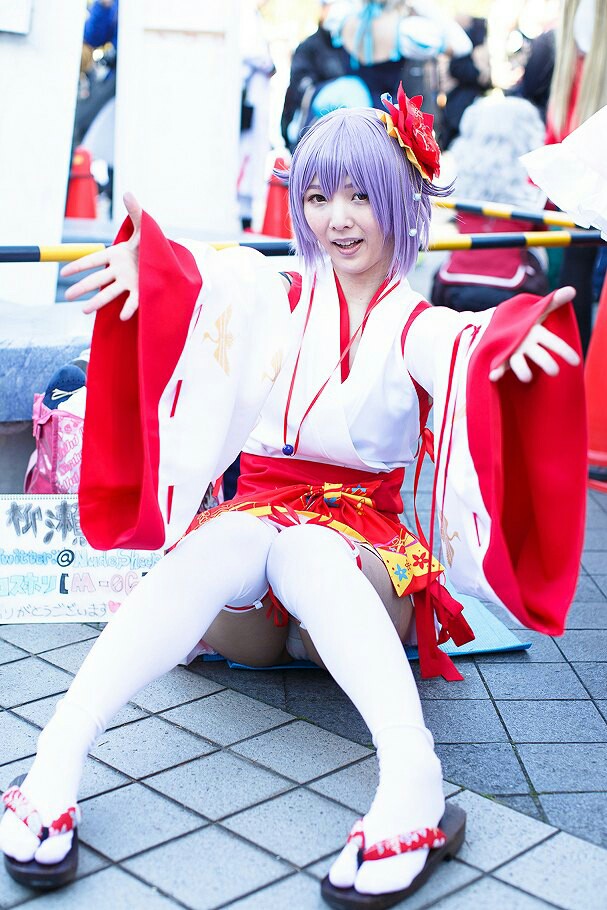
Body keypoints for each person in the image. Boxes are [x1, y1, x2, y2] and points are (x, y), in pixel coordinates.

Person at [0, 88, 585, 907]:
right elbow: (211, 281)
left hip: (356, 566)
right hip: (254, 599)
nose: (335, 218)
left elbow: (462, 342)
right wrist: (153, 273)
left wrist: (505, 349)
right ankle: (53, 761)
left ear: (400, 201)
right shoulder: (275, 291)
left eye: (359, 196)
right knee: (227, 539)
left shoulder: (411, 322)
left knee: (306, 546)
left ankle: (414, 785)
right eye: (316, 196)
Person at [431, 95, 549, 311]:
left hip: (455, 282)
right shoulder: (535, 180)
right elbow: (542, 229)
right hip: (514, 287)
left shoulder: (460, 176)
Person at [545, 0, 607, 355]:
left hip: (576, 160)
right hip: (585, 162)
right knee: (576, 268)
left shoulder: (575, 25)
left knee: (575, 266)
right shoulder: (585, 20)